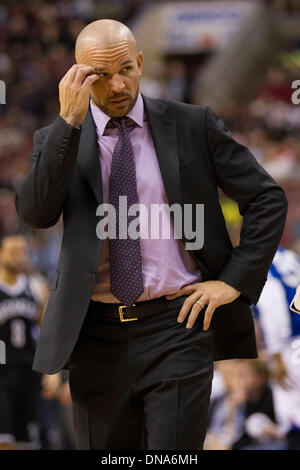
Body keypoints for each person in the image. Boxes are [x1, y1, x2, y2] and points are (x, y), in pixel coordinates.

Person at [15, 19, 288, 450]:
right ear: (78, 76)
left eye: (125, 69)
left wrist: (233, 281)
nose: (117, 84)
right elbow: (35, 212)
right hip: (95, 334)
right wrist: (68, 121)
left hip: (178, 324)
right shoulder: (57, 139)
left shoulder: (193, 124)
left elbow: (268, 199)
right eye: (100, 76)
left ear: (140, 62)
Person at [0, 233, 48, 449]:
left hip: (29, 370)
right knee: (5, 440)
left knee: (29, 441)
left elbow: (47, 332)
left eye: (23, 251)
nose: (20, 256)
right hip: (1, 371)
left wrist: (52, 372)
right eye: (13, 251)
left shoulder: (37, 287)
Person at [253, 246, 300, 450]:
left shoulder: (261, 260)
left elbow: (273, 305)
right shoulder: (286, 255)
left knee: (292, 417)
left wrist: (276, 351)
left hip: (290, 344)